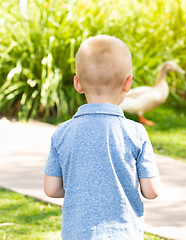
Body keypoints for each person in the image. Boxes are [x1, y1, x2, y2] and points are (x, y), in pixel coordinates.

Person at [43, 35, 161, 240]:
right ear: (128, 84)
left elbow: (51, 189)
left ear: (77, 84)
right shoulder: (136, 133)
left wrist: (83, 188)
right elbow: (151, 191)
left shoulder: (62, 132)